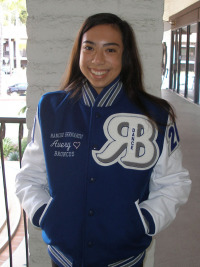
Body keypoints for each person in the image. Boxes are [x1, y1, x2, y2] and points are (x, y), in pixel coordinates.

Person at [15, 13, 191, 267]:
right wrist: (45, 214)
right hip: (63, 258)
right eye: (89, 48)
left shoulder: (155, 115)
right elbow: (29, 176)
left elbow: (175, 182)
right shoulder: (51, 109)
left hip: (124, 259)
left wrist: (146, 221)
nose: (98, 59)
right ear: (79, 53)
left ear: (125, 56)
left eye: (110, 49)